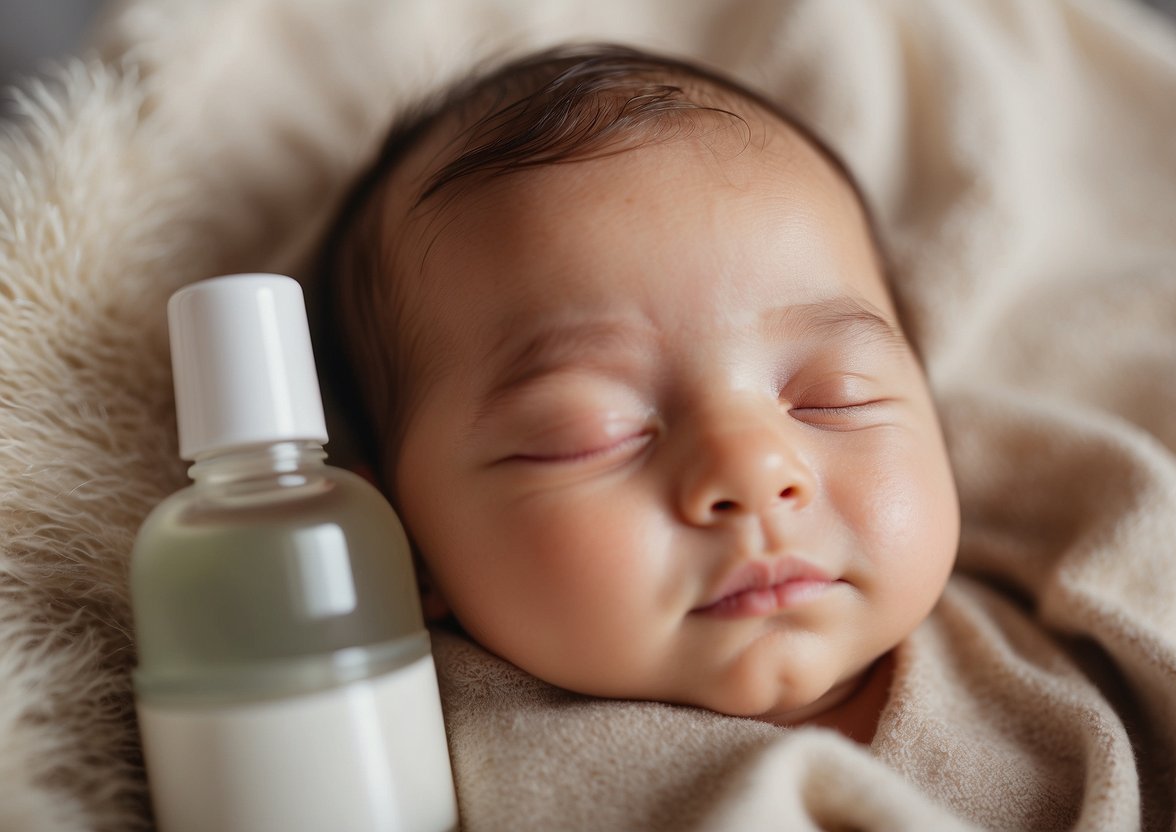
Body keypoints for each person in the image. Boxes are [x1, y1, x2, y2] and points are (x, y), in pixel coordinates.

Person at [313, 44, 959, 744]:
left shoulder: (1071, 639)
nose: (752, 472)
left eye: (835, 397)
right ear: (403, 548)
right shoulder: (397, 759)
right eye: (589, 434)